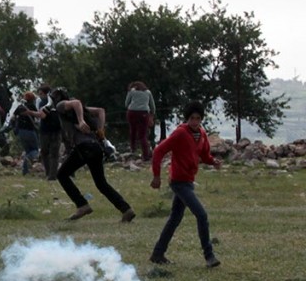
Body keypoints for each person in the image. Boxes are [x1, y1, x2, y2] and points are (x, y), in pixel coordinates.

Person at [149, 101, 221, 267]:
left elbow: (204, 154)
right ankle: (209, 256)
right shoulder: (180, 133)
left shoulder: (201, 134)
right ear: (187, 118)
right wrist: (156, 175)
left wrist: (213, 162)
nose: (195, 122)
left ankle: (158, 254)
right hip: (178, 181)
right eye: (192, 118)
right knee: (201, 215)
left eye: (198, 118)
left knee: (175, 218)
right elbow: (159, 151)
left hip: (188, 181)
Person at [52, 88, 136, 223]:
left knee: (62, 174)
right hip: (96, 147)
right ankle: (126, 209)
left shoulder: (61, 106)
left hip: (84, 147)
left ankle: (82, 205)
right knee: (101, 183)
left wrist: (80, 121)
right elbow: (100, 111)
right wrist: (100, 131)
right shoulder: (82, 110)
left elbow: (76, 102)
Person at [36, 84, 62, 181]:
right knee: (50, 153)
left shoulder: (45, 103)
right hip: (52, 130)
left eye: (41, 94)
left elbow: (42, 116)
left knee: (49, 153)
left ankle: (50, 174)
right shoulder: (54, 102)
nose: (40, 96)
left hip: (48, 130)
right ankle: (51, 174)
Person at [125, 81, 156, 160]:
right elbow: (152, 106)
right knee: (143, 135)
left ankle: (133, 149)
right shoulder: (148, 92)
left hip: (132, 112)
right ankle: (145, 155)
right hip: (144, 113)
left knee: (133, 131)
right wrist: (152, 115)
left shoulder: (132, 91)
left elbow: (126, 103)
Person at [12, 91, 41, 175]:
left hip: (21, 131)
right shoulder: (32, 106)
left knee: (27, 150)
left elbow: (13, 118)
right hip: (30, 130)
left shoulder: (20, 107)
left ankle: (25, 171)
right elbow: (37, 116)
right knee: (35, 150)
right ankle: (26, 166)